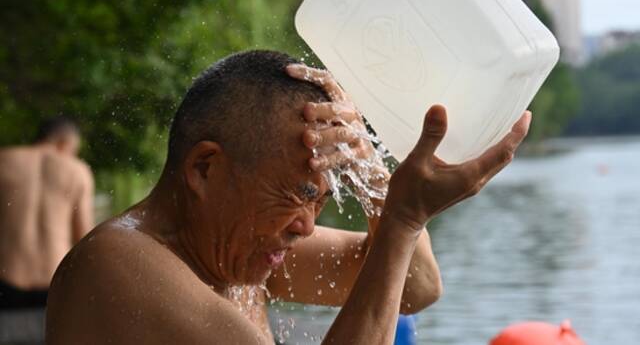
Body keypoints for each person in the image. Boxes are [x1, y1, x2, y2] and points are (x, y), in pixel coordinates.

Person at [46, 50, 530, 344]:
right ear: (205, 168)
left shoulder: (240, 257)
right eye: (297, 195)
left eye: (319, 200)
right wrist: (401, 221)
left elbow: (416, 287)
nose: (304, 225)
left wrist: (371, 171)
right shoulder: (118, 262)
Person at [0, 117, 94, 310]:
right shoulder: (77, 171)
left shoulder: (4, 161)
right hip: (55, 280)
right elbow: (84, 239)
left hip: (5, 279)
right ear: (65, 142)